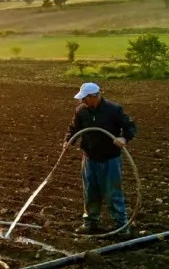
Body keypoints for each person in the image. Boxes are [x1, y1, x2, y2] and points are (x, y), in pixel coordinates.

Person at [63, 82, 137, 237]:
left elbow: (130, 127)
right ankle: (90, 223)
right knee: (90, 191)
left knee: (113, 192)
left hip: (110, 158)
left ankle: (121, 226)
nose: (82, 101)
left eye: (84, 98)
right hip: (89, 157)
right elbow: (74, 128)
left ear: (94, 96)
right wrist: (68, 140)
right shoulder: (81, 111)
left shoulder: (114, 110)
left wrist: (123, 138)